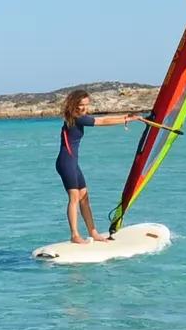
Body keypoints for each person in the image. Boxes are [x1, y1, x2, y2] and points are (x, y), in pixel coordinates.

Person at [55, 89, 145, 244]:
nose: (84, 108)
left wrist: (127, 117)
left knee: (84, 197)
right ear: (74, 104)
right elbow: (102, 121)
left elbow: (102, 118)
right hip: (66, 162)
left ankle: (93, 232)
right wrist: (126, 119)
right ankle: (75, 235)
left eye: (86, 105)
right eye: (81, 104)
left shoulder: (75, 117)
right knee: (74, 198)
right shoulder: (77, 118)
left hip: (71, 162)